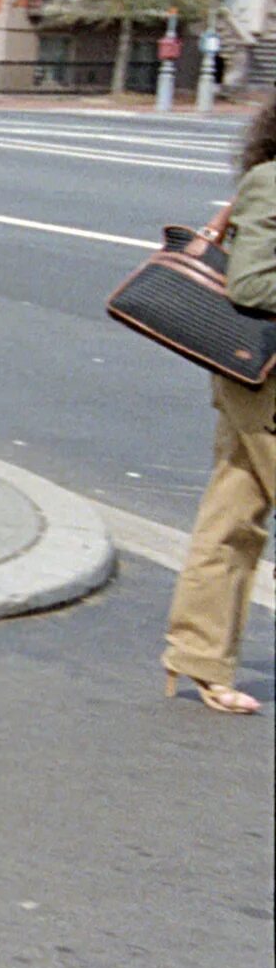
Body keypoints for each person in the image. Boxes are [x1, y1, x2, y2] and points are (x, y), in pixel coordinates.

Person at [165, 96, 276, 715]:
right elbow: (253, 283)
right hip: (263, 378)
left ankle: (200, 660)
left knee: (231, 515)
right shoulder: (271, 182)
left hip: (254, 381)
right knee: (232, 515)